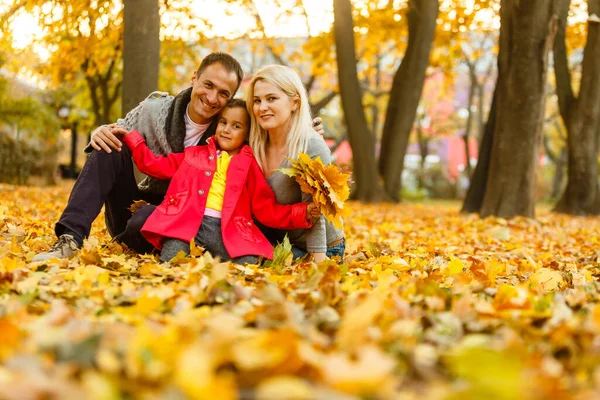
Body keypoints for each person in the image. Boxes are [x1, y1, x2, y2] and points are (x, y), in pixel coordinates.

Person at [33, 53, 323, 262]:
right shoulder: (154, 111)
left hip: (190, 217)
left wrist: (305, 127)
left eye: (223, 93)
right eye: (208, 85)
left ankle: (141, 243)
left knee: (144, 222)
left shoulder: (229, 133)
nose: (212, 98)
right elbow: (120, 129)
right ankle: (70, 238)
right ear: (194, 78)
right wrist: (100, 131)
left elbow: (271, 126)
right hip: (153, 208)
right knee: (109, 147)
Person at [115, 99, 320, 264]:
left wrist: (301, 212)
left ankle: (300, 256)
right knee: (170, 262)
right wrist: (133, 139)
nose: (226, 129)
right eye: (223, 122)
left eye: (236, 126)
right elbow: (154, 165)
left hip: (227, 231)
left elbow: (266, 208)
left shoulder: (249, 165)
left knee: (250, 263)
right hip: (185, 225)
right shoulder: (193, 155)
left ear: (247, 134)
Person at [246, 65, 345, 263]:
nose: (262, 107)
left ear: (295, 103)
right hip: (277, 239)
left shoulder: (310, 145)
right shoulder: (253, 144)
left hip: (319, 247)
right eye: (257, 100)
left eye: (271, 98)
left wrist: (319, 261)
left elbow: (317, 212)